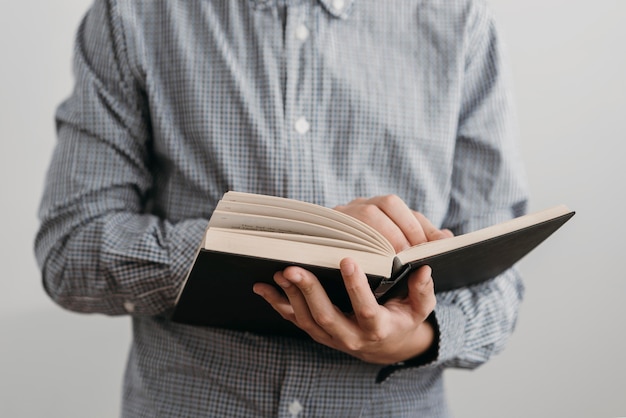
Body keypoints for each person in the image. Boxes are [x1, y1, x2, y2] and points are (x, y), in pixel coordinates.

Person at [34, 0, 528, 416]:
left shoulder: (459, 20)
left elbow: (499, 280)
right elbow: (71, 251)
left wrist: (414, 340)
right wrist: (280, 247)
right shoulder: (133, 14)